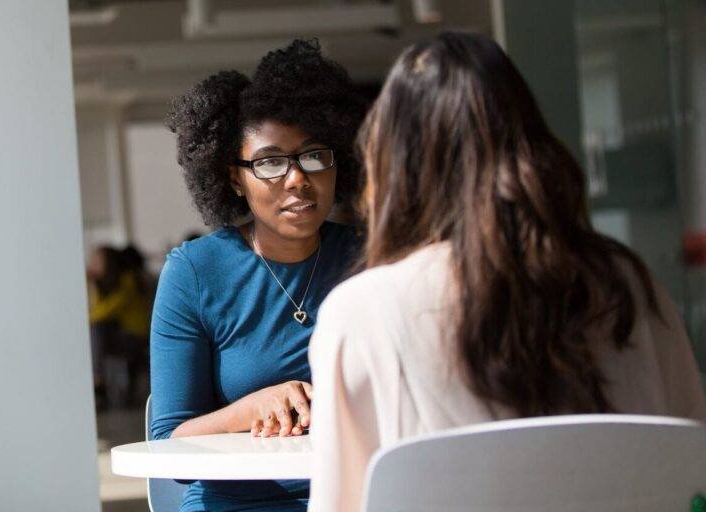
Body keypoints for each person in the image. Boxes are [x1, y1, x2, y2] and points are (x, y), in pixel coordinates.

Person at [307, 31, 706, 512]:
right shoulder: (628, 285)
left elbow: (339, 504)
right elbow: (691, 466)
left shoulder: (363, 313)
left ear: (395, 165)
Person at [151, 39, 365, 511]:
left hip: (355, 497)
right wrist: (250, 409)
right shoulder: (195, 273)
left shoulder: (370, 259)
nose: (296, 178)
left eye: (313, 155)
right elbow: (168, 448)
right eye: (270, 162)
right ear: (233, 178)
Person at [87, 245, 152, 407]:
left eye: (96, 261)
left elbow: (103, 312)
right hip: (121, 335)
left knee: (97, 330)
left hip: (137, 337)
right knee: (97, 331)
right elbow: (98, 311)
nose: (92, 264)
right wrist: (94, 286)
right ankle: (97, 381)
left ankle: (97, 380)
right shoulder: (106, 285)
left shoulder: (127, 282)